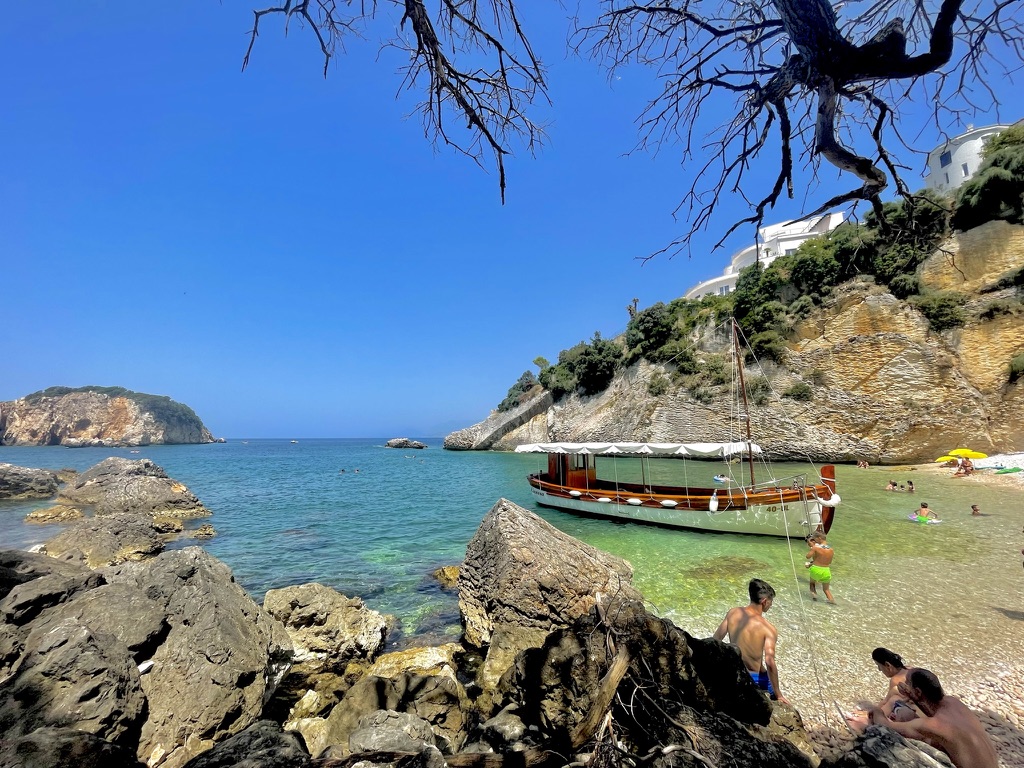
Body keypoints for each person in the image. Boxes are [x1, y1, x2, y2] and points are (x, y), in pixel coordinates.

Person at [867, 668, 998, 768]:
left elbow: (885, 725)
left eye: (907, 683)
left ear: (918, 692)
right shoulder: (953, 702)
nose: (905, 685)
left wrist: (877, 710)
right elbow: (931, 710)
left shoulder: (933, 725)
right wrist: (912, 696)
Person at [712, 579, 789, 704]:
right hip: (756, 678)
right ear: (764, 601)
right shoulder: (768, 629)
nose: (771, 605)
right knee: (776, 700)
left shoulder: (733, 612)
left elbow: (716, 640)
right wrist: (778, 693)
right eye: (771, 601)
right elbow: (769, 662)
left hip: (735, 671)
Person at [845, 648, 917, 731]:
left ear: (888, 666)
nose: (879, 669)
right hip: (920, 711)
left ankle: (870, 719)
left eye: (879, 666)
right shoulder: (909, 669)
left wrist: (869, 713)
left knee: (893, 699)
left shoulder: (895, 680)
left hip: (910, 715)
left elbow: (886, 701)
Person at [805, 531, 835, 603]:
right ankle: (832, 602)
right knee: (826, 590)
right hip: (826, 570)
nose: (815, 540)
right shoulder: (831, 550)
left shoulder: (815, 547)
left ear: (819, 538)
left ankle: (814, 599)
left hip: (816, 569)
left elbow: (808, 556)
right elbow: (829, 562)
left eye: (815, 538)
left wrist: (812, 549)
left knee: (812, 584)